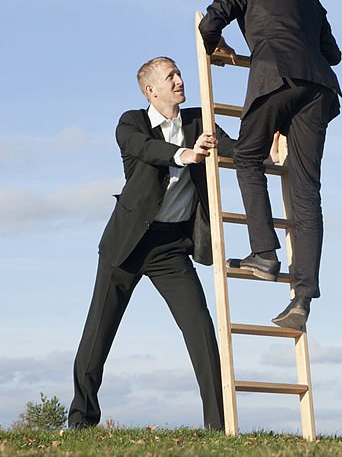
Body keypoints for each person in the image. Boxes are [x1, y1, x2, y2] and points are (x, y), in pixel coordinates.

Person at [69, 57, 234, 431]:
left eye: (179, 73)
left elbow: (232, 149)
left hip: (171, 248)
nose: (179, 80)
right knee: (99, 334)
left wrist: (268, 154)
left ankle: (219, 426)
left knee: (201, 332)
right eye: (170, 76)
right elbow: (145, 149)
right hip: (127, 245)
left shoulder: (196, 121)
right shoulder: (131, 123)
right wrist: (184, 155)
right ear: (151, 90)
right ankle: (80, 420)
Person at [198, 0, 342, 330]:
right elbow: (334, 54)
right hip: (319, 89)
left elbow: (210, 22)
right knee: (306, 191)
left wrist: (217, 44)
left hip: (275, 77)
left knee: (246, 157)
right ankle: (302, 296)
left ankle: (263, 252)